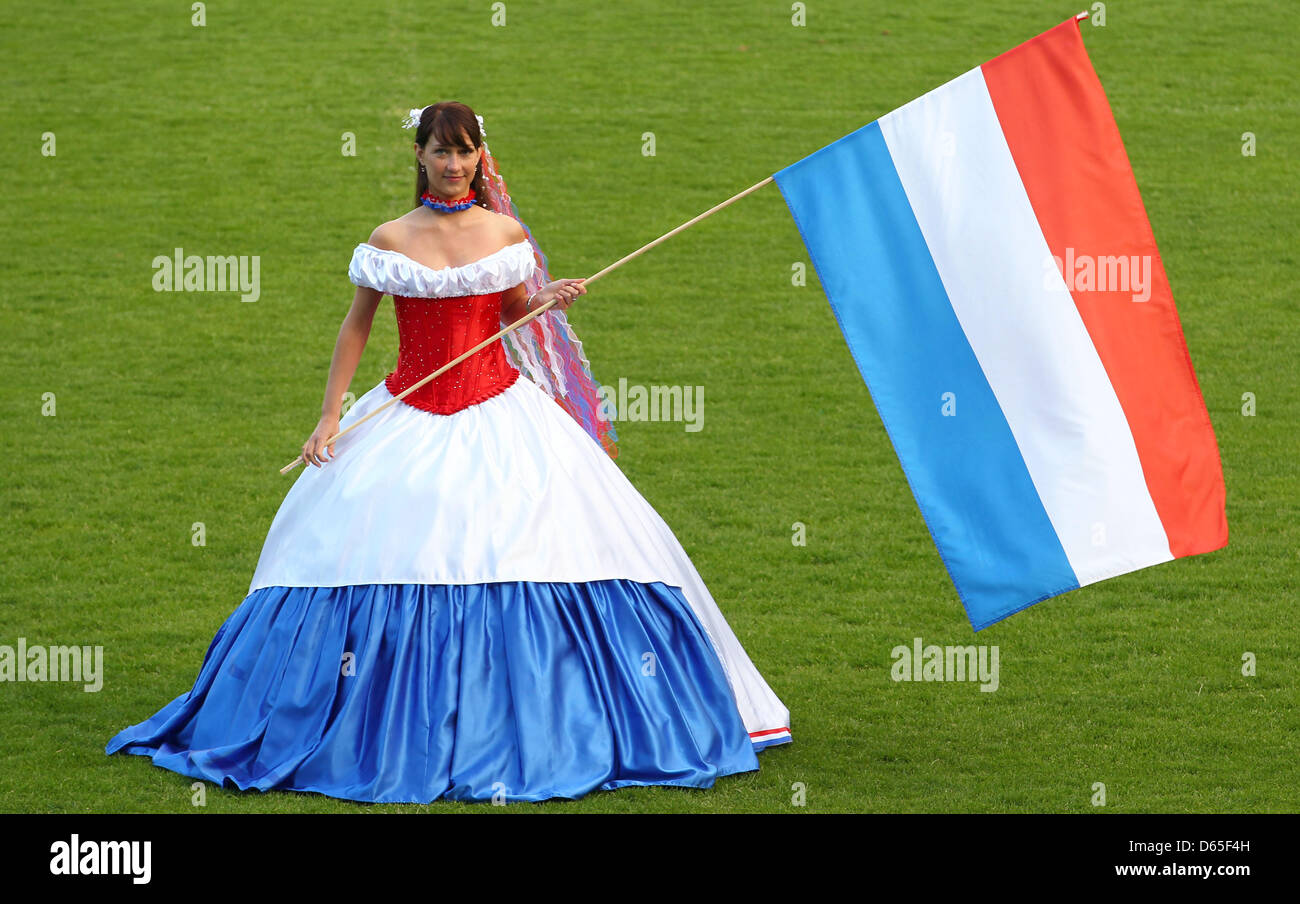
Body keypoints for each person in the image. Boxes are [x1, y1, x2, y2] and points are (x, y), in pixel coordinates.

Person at [105, 101, 791, 804]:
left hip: (501, 409)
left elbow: (509, 312)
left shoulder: (505, 230)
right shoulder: (390, 238)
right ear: (419, 155)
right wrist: (328, 417)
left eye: (464, 153)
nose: (454, 164)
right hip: (408, 409)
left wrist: (545, 297)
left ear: (478, 156)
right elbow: (356, 327)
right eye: (441, 151)